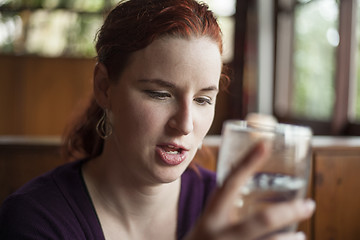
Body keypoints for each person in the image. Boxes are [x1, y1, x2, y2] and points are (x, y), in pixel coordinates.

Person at [0, 0, 315, 239]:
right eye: (160, 94)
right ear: (104, 87)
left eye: (203, 99)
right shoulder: (35, 219)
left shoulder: (232, 209)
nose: (185, 124)